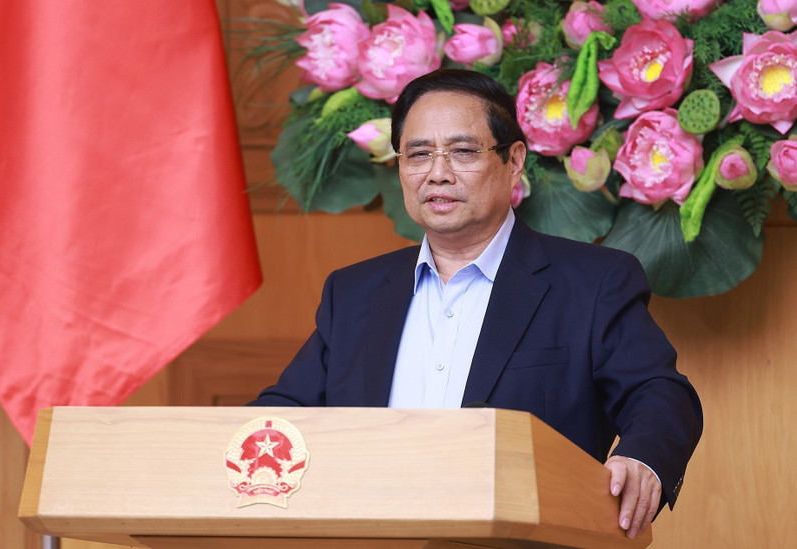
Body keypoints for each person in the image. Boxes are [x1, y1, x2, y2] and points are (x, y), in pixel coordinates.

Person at [250, 69, 703, 539]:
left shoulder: (592, 282)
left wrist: (643, 456)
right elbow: (278, 417)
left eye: (463, 152)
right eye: (418, 154)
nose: (438, 173)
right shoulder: (355, 292)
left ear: (514, 161)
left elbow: (659, 391)